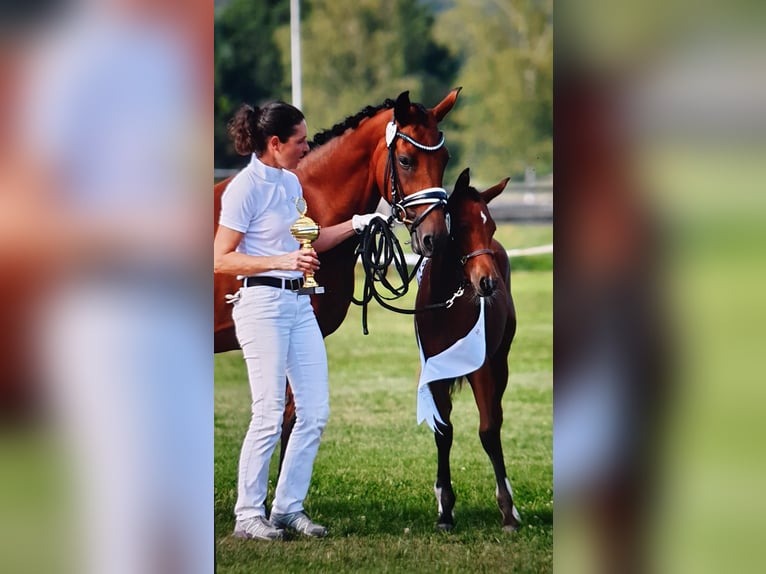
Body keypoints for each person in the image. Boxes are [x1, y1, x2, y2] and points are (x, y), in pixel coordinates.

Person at [213, 101, 382, 540]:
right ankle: (249, 515)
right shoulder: (243, 189)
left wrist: (358, 223)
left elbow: (313, 238)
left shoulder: (290, 183)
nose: (308, 146)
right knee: (268, 414)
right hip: (260, 307)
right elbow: (220, 259)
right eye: (301, 140)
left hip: (298, 307)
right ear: (275, 143)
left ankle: (288, 508)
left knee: (314, 411)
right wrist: (284, 259)